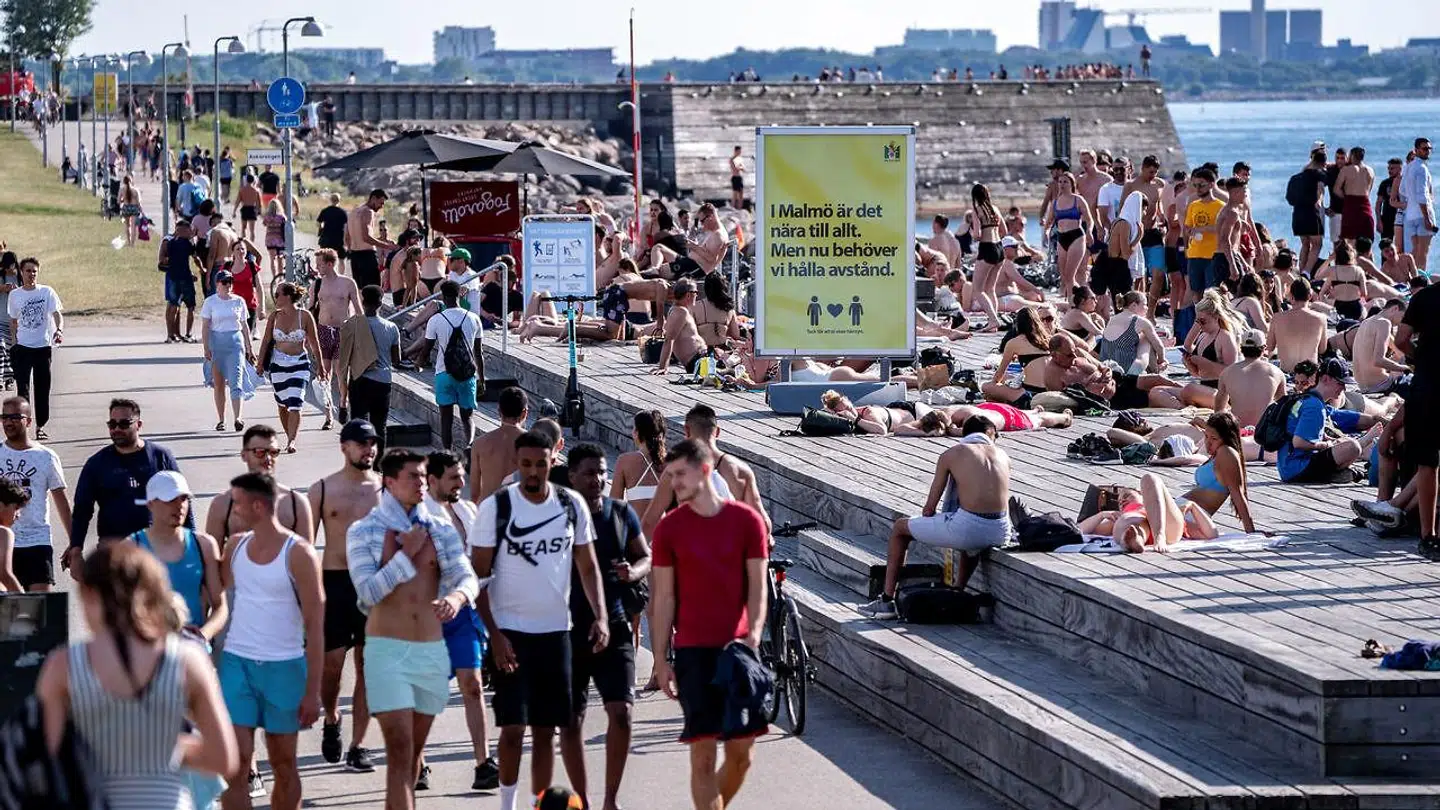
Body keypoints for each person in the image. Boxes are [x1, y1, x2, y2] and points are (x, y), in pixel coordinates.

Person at [35, 543, 239, 810]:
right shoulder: (187, 660)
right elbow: (223, 758)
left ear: (87, 594)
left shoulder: (62, 667)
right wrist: (163, 745)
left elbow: (41, 760)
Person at [470, 430, 611, 810]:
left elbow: (587, 564)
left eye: (541, 464)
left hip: (556, 632)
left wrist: (601, 616)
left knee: (547, 730)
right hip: (511, 634)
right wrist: (495, 637)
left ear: (553, 462)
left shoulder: (571, 505)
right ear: (517, 465)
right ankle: (506, 804)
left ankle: (540, 803)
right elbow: (477, 579)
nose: (533, 471)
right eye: (526, 464)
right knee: (513, 728)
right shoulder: (496, 509)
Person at [346, 448, 480, 808]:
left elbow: (467, 577)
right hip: (387, 651)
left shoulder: (439, 529)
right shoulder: (365, 531)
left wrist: (457, 598)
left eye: (424, 476)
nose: (422, 483)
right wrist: (406, 557)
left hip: (430, 653)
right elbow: (369, 592)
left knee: (411, 757)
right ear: (389, 482)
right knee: (400, 751)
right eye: (413, 477)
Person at [648, 439, 768, 810]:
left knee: (741, 754)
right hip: (692, 652)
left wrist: (754, 634)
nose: (674, 483)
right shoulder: (669, 529)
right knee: (702, 755)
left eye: (680, 474)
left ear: (704, 470)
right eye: (670, 477)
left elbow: (757, 586)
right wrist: (660, 659)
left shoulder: (746, 521)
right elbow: (664, 598)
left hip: (737, 649)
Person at [218, 472, 324, 810]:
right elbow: (214, 594)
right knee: (235, 766)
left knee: (283, 764)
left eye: (237, 503)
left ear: (258, 506)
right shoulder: (234, 546)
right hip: (237, 663)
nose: (232, 510)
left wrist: (312, 691)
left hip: (285, 667)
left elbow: (316, 624)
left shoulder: (300, 554)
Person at [559, 444, 649, 810]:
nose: (597, 479)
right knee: (571, 722)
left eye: (601, 472)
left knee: (622, 714)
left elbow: (644, 555)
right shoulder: (557, 517)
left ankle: (610, 800)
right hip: (566, 630)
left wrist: (634, 571)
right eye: (589, 473)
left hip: (615, 624)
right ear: (571, 478)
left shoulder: (621, 512)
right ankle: (581, 798)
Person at [860, 417, 1013, 619]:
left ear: (965, 434)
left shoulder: (952, 454)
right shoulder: (1003, 455)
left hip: (969, 529)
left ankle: (887, 600)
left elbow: (929, 509)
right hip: (1001, 531)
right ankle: (957, 591)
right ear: (990, 433)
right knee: (971, 538)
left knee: (900, 529)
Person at [421, 451, 501, 791]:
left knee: (472, 682)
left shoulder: (469, 510)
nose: (461, 482)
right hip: (427, 616)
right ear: (432, 480)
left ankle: (483, 763)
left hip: (465, 611)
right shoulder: (419, 515)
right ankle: (418, 764)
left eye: (461, 475)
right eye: (454, 477)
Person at [307, 420, 382, 773]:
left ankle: (358, 744)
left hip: (373, 586)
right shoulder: (322, 489)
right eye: (361, 443)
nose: (368, 449)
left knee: (368, 668)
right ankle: (333, 717)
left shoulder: (384, 489)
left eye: (372, 443)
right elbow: (305, 547)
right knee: (332, 669)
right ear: (344, 447)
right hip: (334, 583)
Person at [67, 398, 186, 569]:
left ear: (138, 425)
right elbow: (81, 511)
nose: (116, 429)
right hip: (114, 554)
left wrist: (192, 547)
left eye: (124, 424)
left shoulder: (161, 457)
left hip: (158, 552)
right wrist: (76, 550)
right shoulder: (96, 463)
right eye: (112, 424)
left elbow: (181, 502)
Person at [127, 470, 228, 643]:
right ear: (150, 503)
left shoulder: (204, 545)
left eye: (183, 499)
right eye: (170, 500)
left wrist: (203, 635)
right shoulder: (130, 548)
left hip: (193, 654)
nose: (179, 506)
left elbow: (220, 607)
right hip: (149, 655)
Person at [0, 396, 70, 592]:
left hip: (37, 541)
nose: (8, 422)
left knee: (39, 613)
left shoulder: (46, 457)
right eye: (4, 417)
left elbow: (61, 502)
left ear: (28, 421)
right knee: (6, 616)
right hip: (2, 541)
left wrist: (75, 543)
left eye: (14, 417)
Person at [1276, 357, 1384, 484]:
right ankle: (1337, 474)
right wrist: (1328, 445)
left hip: (1288, 466)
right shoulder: (1314, 406)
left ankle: (1341, 474)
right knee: (1352, 447)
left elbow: (1354, 418)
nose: (1343, 389)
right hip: (1297, 469)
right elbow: (1299, 443)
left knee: (1347, 443)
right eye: (1340, 383)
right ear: (1326, 379)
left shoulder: (1310, 400)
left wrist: (1384, 422)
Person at [206, 425, 314, 546]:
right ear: (243, 455)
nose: (268, 458)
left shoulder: (297, 503)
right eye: (259, 452)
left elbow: (307, 556)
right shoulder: (223, 504)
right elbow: (212, 559)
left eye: (273, 452)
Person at [1397, 281, 1440, 557]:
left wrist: (1420, 358)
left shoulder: (1424, 298)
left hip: (1427, 386)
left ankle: (1428, 535)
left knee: (1428, 464)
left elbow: (1401, 339)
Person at [255, 282, 324, 453]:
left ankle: (292, 441)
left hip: (299, 364)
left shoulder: (305, 316)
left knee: (295, 402)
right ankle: (289, 436)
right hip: (278, 365)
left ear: (288, 296)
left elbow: (315, 344)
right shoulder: (274, 316)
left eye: (278, 294)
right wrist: (260, 363)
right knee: (282, 405)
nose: (275, 297)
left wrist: (321, 367)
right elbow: (265, 341)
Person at [338, 285, 401, 460]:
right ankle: (378, 466)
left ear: (363, 302)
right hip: (383, 382)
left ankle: (359, 460)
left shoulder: (351, 325)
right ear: (381, 303)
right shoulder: (391, 327)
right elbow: (396, 359)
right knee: (379, 426)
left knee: (359, 424)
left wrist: (342, 400)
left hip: (360, 380)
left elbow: (343, 361)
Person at [422, 280, 485, 454]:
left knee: (446, 418)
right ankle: (470, 444)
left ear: (443, 296)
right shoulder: (474, 318)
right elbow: (478, 353)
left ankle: (447, 451)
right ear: (460, 295)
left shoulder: (435, 319)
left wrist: (418, 363)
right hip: (467, 374)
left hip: (444, 373)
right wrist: (481, 378)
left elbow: (426, 349)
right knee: (468, 416)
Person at [200, 270, 255, 433]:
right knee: (219, 384)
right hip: (217, 344)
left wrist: (249, 347)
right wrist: (206, 348)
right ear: (217, 284)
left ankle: (238, 418)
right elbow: (205, 326)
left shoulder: (239, 301)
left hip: (235, 345)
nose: (228, 285)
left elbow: (245, 326)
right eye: (224, 282)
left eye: (230, 282)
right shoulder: (210, 302)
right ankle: (221, 419)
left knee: (236, 382)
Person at [1179, 289, 1241, 410]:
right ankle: (1184, 406)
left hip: (1222, 393)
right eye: (1197, 321)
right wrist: (1190, 364)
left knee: (1189, 389)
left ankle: (1186, 406)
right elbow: (1197, 372)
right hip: (1205, 388)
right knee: (1157, 391)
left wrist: (1205, 363)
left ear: (1216, 317)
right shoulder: (1203, 336)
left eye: (1202, 321)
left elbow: (1231, 373)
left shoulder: (1224, 337)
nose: (1199, 325)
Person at [1214, 329, 1286, 428]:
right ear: (1264, 348)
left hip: (1237, 430)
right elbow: (1283, 405)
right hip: (1263, 431)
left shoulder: (1227, 372)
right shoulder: (1276, 372)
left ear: (1241, 348)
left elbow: (1219, 410)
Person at [470, 386, 529, 503]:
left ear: (499, 412)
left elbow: (475, 493)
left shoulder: (479, 444)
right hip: (519, 511)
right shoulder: (533, 443)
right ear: (524, 413)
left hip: (489, 509)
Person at [610, 409, 667, 523]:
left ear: (636, 432)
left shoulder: (625, 461)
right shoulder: (671, 461)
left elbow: (614, 504)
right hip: (664, 535)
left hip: (636, 535)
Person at [1043, 172, 1093, 298]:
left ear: (1072, 184)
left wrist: (1089, 232)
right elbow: (1049, 221)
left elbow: (1089, 219)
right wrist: (1045, 233)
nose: (1062, 184)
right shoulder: (1055, 202)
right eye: (1060, 182)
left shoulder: (1078, 199)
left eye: (1065, 182)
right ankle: (1084, 297)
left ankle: (1073, 303)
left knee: (1071, 275)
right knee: (1065, 276)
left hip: (1076, 236)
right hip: (1061, 238)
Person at [1265, 278, 1329, 373]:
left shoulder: (1277, 318)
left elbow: (1269, 347)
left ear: (1291, 296)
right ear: (1310, 296)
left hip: (1286, 373)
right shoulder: (1321, 318)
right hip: (1309, 375)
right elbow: (1322, 350)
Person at [347, 189, 397, 291]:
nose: (381, 206)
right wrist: (389, 246)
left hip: (355, 256)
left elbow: (347, 237)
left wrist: (351, 250)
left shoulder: (354, 212)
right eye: (381, 203)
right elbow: (366, 237)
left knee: (360, 291)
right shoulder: (368, 212)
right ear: (373, 198)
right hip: (367, 256)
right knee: (375, 292)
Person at [1290, 148, 1329, 274]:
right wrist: (1319, 201)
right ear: (1323, 163)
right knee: (1317, 244)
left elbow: (1290, 199)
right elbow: (1321, 190)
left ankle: (1301, 271)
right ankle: (1306, 273)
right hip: (1312, 213)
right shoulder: (1320, 175)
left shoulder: (1296, 178)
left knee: (1305, 244)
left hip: (1297, 214)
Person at [1399, 137, 1434, 270]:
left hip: (1410, 215)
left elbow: (1402, 190)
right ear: (1417, 150)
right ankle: (1422, 285)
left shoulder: (1409, 167)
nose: (1427, 152)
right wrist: (1427, 218)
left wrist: (1412, 199)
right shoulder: (1421, 168)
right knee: (1422, 254)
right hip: (1421, 215)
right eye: (1425, 149)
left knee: (1413, 254)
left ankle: (1412, 281)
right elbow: (1422, 195)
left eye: (1429, 149)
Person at [1336, 146, 1376, 242]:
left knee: (1349, 242)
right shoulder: (1370, 171)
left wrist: (1345, 197)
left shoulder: (1346, 170)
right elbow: (1369, 190)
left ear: (1352, 156)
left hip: (1350, 205)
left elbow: (1337, 189)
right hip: (1365, 205)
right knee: (1367, 242)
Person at [316, 193, 349, 270]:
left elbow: (318, 223)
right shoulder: (343, 212)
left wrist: (321, 228)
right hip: (339, 239)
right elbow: (346, 227)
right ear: (339, 200)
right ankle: (341, 276)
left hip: (327, 238)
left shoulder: (325, 211)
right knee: (341, 259)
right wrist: (345, 240)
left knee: (325, 258)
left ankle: (325, 274)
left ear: (330, 200)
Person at [729, 145, 745, 210]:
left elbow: (743, 169)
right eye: (738, 151)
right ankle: (732, 208)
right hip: (735, 177)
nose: (739, 153)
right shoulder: (732, 159)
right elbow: (735, 168)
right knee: (735, 194)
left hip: (739, 177)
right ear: (735, 151)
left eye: (740, 151)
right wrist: (739, 167)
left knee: (741, 194)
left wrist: (740, 167)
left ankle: (739, 208)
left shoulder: (739, 159)